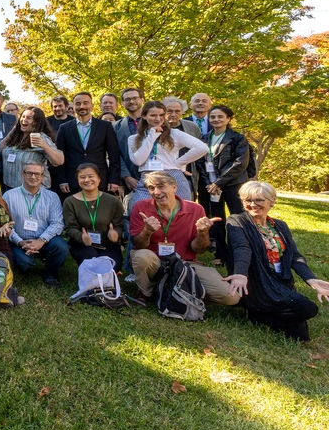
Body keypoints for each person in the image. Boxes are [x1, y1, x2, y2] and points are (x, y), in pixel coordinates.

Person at [225, 181, 329, 341]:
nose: (252, 205)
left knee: (301, 336)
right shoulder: (236, 221)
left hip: (282, 283)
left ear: (272, 201)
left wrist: (311, 279)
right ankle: (257, 310)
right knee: (308, 308)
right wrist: (240, 274)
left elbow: (294, 255)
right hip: (257, 283)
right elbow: (241, 248)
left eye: (258, 200)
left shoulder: (280, 225)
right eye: (248, 200)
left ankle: (258, 315)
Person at [128, 171, 238, 307]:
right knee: (140, 256)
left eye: (161, 186)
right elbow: (138, 245)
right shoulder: (141, 207)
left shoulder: (195, 209)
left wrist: (202, 233)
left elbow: (199, 249)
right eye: (151, 188)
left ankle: (181, 290)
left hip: (186, 263)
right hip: (155, 263)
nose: (156, 192)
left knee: (230, 297)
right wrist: (147, 230)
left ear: (174, 187)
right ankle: (145, 292)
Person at [127, 101, 208, 210]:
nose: (158, 118)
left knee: (181, 214)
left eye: (161, 115)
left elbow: (202, 148)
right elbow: (138, 160)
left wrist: (178, 163)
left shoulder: (174, 134)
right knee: (140, 212)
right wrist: (151, 136)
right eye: (153, 115)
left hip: (173, 176)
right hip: (148, 178)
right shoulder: (134, 138)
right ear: (144, 116)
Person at [3, 161, 69, 286]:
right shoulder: (9, 196)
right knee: (24, 263)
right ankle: (26, 264)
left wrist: (41, 240)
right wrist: (21, 242)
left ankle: (50, 274)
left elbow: (57, 223)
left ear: (43, 176)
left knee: (61, 248)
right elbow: (6, 225)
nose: (33, 177)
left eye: (37, 174)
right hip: (20, 241)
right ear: (23, 174)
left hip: (46, 239)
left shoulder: (52, 196)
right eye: (29, 173)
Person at [198, 105, 250, 265]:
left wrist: (219, 182)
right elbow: (200, 161)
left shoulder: (237, 138)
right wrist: (209, 183)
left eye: (220, 116)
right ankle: (221, 255)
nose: (216, 120)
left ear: (228, 119)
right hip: (210, 187)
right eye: (212, 117)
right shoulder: (204, 138)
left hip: (233, 185)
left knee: (238, 219)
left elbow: (240, 163)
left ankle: (241, 252)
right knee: (215, 220)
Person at [54, 92, 121, 200]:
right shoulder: (64, 128)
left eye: (86, 103)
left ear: (92, 105)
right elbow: (60, 155)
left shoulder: (105, 126)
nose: (82, 106)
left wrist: (114, 179)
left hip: (100, 179)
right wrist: (62, 180)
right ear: (73, 106)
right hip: (72, 181)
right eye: (78, 103)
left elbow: (114, 155)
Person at [63, 163, 124, 265]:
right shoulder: (70, 202)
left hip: (108, 244)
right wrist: (81, 237)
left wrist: (116, 234)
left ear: (99, 179)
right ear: (78, 180)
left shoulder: (113, 201)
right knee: (91, 263)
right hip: (82, 244)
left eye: (91, 176)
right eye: (82, 177)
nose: (87, 180)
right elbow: (70, 227)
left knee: (109, 265)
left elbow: (119, 225)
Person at [0, 107, 64, 192]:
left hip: (33, 189)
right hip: (11, 187)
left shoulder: (40, 137)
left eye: (29, 118)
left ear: (37, 122)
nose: (24, 120)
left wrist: (44, 146)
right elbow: (0, 148)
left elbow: (59, 160)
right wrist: (13, 131)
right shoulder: (15, 136)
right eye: (23, 116)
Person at [163, 96, 203, 198]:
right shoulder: (158, 127)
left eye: (177, 111)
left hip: (187, 173)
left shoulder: (192, 127)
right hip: (164, 173)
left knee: (186, 204)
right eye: (169, 111)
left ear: (182, 112)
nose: (173, 114)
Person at [114, 87, 145, 195]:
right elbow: (114, 154)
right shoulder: (116, 127)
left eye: (135, 98)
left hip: (156, 176)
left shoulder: (154, 122)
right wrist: (126, 177)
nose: (131, 101)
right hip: (130, 181)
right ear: (122, 103)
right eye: (127, 99)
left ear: (142, 100)